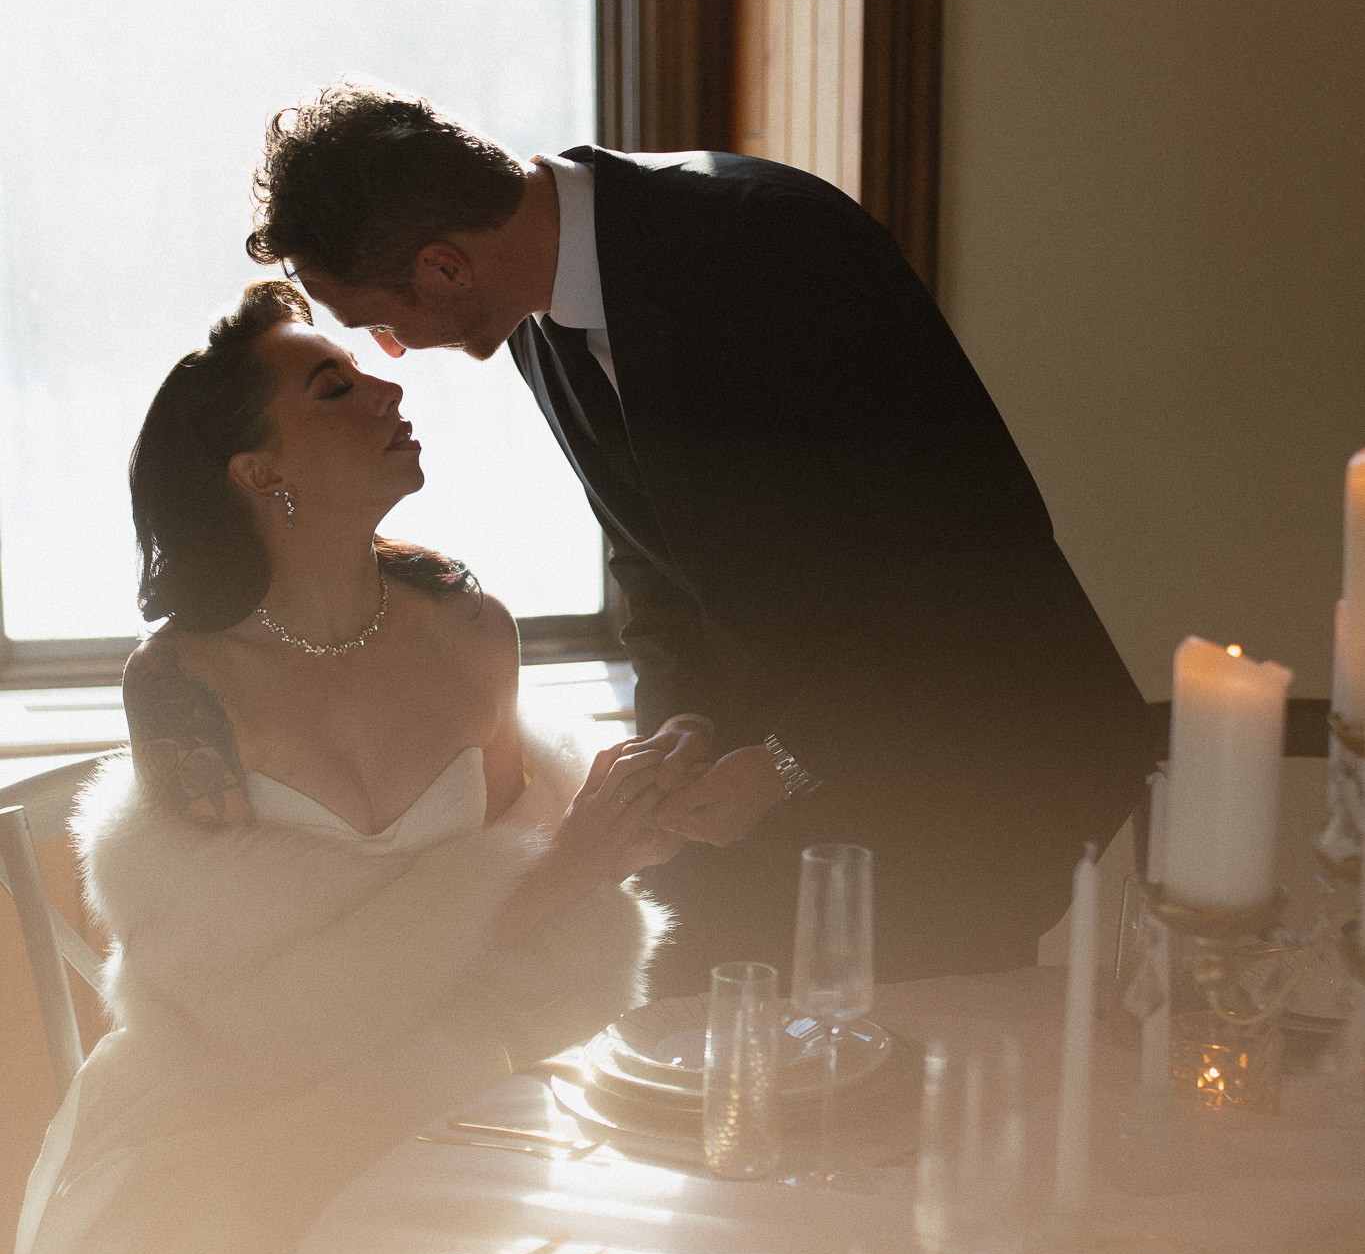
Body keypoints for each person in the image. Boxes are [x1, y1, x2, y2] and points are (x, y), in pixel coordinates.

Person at [0, 280, 668, 1254]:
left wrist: (598, 858)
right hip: (230, 1089)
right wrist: (554, 875)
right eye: (331, 391)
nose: (386, 394)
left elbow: (524, 931)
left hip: (456, 1064)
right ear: (259, 471)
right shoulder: (187, 687)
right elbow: (239, 1003)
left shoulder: (474, 628)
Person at [244, 82, 1155, 993]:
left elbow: (966, 550)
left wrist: (792, 760)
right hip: (794, 768)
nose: (393, 352)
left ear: (446, 268)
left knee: (898, 1082)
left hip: (979, 754)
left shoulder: (772, 240)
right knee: (696, 1046)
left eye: (378, 323)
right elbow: (651, 561)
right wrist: (686, 727)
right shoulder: (534, 325)